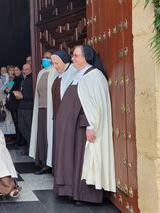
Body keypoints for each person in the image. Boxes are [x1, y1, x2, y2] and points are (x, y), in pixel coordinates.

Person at [53, 45, 115, 203]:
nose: (72, 59)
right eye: (72, 56)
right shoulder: (79, 75)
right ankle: (71, 190)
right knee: (72, 159)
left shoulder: (94, 76)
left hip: (82, 128)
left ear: (86, 57)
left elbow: (95, 105)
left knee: (84, 161)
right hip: (72, 128)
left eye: (75, 56)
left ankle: (84, 195)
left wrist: (91, 126)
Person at [29, 50, 55, 174]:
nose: (45, 60)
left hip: (50, 110)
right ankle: (43, 162)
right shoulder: (41, 73)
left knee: (50, 135)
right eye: (44, 57)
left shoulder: (55, 72)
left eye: (48, 58)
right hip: (41, 109)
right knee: (42, 136)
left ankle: (51, 163)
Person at [14, 63, 34, 155]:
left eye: (27, 69)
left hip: (28, 107)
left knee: (29, 127)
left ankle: (32, 147)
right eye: (23, 69)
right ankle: (30, 145)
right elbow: (8, 89)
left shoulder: (33, 80)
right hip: (20, 106)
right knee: (21, 127)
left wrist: (23, 96)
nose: (24, 71)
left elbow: (34, 95)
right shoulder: (21, 80)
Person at [0, 66, 16, 136]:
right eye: (10, 70)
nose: (11, 72)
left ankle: (9, 134)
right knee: (1, 116)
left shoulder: (11, 78)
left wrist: (8, 82)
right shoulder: (2, 78)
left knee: (7, 117)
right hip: (1, 100)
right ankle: (3, 134)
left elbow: (8, 89)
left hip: (6, 100)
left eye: (13, 70)